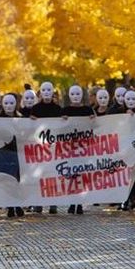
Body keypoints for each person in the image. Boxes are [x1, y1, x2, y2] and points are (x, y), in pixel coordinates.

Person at [62, 85, 95, 215]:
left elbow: (96, 127)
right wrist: (62, 120)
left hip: (84, 149)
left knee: (81, 176)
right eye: (73, 93)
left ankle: (80, 202)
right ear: (69, 95)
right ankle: (72, 202)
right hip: (69, 148)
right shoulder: (65, 110)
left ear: (82, 95)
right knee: (71, 176)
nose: (76, 96)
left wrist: (93, 120)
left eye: (78, 93)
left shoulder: (88, 110)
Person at [29, 82, 62, 213]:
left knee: (52, 174)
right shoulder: (35, 109)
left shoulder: (58, 109)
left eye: (49, 90)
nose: (47, 92)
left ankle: (53, 203)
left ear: (52, 91)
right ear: (40, 92)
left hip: (54, 147)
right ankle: (39, 202)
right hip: (38, 146)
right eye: (44, 90)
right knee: (39, 175)